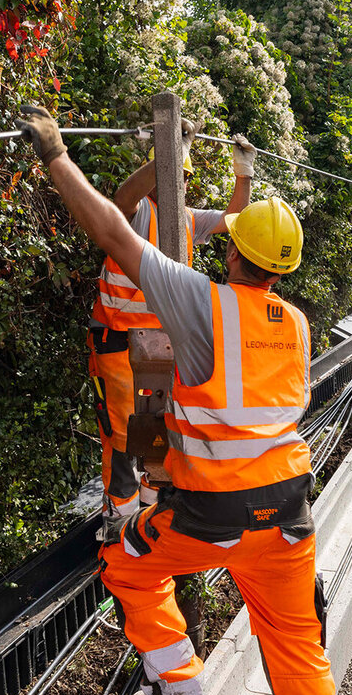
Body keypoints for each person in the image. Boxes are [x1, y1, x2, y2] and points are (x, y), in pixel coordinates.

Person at [17, 106, 346, 695]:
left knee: (126, 559)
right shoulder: (296, 325)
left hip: (209, 507)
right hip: (288, 512)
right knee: (294, 644)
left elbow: (106, 225)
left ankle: (183, 694)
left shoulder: (201, 301)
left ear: (232, 254)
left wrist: (54, 153)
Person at [88, 132, 256, 538]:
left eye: (182, 177)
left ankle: (151, 517)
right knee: (124, 436)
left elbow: (235, 220)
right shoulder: (139, 211)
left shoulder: (185, 220)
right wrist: (169, 153)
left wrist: (244, 174)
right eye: (172, 175)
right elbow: (121, 199)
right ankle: (119, 524)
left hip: (162, 345)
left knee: (160, 432)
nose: (178, 184)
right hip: (117, 342)